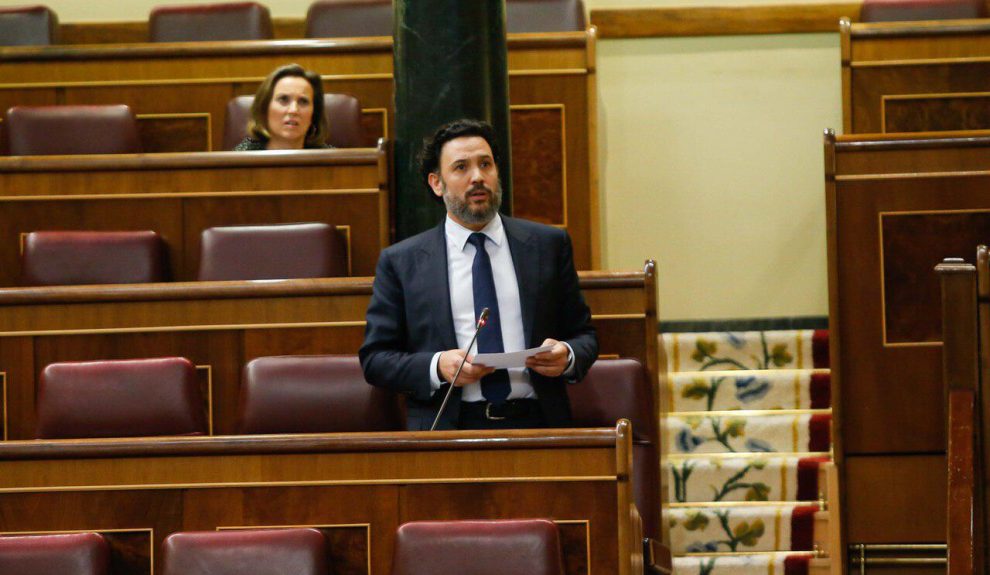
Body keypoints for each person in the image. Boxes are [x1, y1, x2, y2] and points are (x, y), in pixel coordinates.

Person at [359, 118, 598, 430]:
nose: (477, 177)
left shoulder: (546, 245)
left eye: (486, 164)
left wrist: (566, 355)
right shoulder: (402, 262)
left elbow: (585, 336)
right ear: (436, 183)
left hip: (537, 424)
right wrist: (437, 366)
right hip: (449, 428)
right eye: (461, 167)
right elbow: (376, 359)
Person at [234, 63, 331, 150]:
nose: (293, 110)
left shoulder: (332, 160)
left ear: (314, 113)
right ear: (264, 108)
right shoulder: (239, 158)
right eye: (283, 99)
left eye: (303, 101)